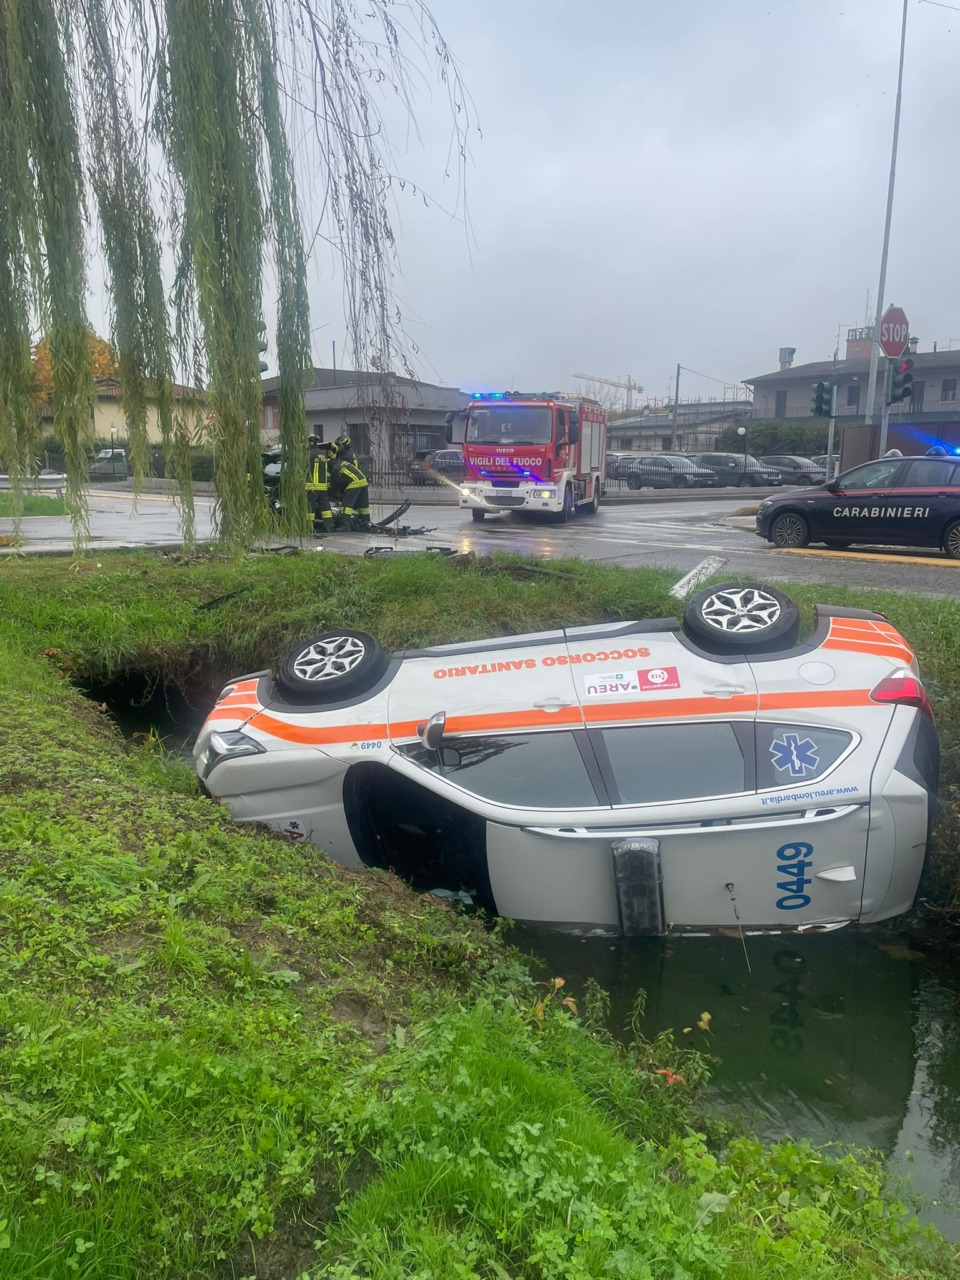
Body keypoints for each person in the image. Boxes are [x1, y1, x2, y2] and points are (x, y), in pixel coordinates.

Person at [333, 450, 371, 531]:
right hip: (363, 481)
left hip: (354, 483)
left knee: (346, 505)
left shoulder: (335, 468)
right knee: (363, 506)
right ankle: (367, 523)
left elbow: (335, 484)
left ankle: (345, 526)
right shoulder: (344, 463)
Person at [305, 435, 334, 533]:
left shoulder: (310, 454)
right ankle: (329, 526)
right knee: (325, 507)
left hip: (312, 486)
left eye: (307, 442)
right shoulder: (323, 454)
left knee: (310, 507)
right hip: (323, 486)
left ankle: (308, 527)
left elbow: (307, 469)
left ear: (311, 442)